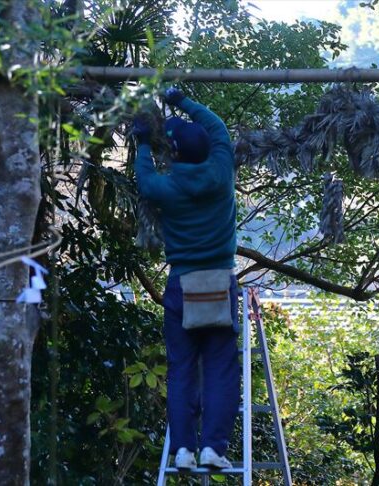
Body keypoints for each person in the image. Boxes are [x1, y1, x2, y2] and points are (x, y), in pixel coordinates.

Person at [133, 88, 239, 470]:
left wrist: (143, 143)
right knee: (220, 370)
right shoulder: (222, 170)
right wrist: (183, 101)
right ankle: (214, 448)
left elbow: (144, 179)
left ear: (174, 154)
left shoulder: (169, 188)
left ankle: (183, 450)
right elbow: (218, 128)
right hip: (219, 284)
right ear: (208, 149)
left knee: (181, 370)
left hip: (182, 285)